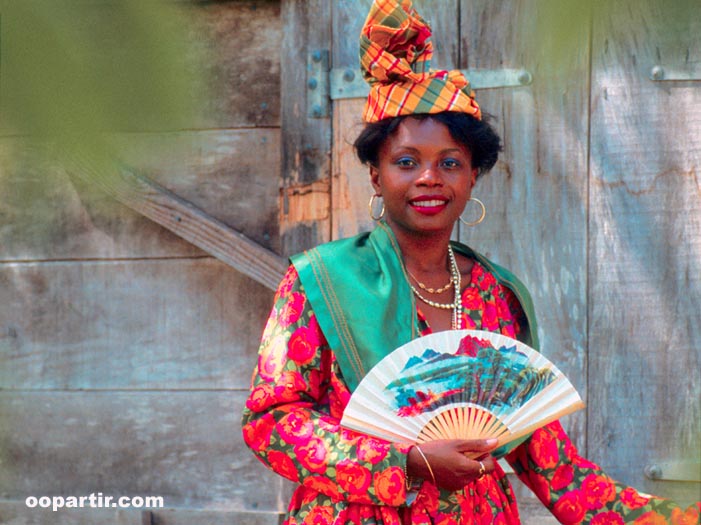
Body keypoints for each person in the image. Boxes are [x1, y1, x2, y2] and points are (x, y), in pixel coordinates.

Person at [242, 1, 701, 523]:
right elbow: (271, 421)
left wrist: (671, 518)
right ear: (376, 175)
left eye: (451, 163)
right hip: (355, 513)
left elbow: (551, 464)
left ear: (473, 178)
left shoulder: (496, 296)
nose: (428, 179)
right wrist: (407, 462)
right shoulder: (320, 281)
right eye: (406, 162)